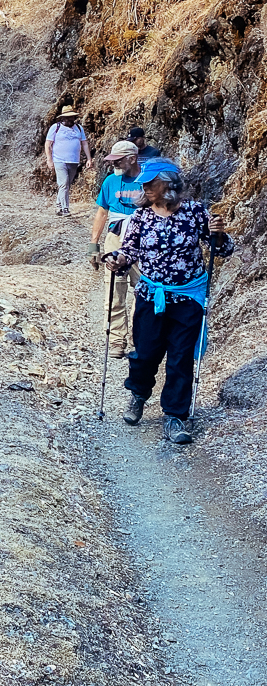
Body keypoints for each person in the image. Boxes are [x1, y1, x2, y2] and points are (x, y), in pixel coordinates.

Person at [103, 159, 234, 444]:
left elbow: (222, 250)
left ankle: (175, 416)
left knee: (180, 357)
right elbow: (130, 251)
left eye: (151, 182)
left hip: (188, 297)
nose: (145, 187)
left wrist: (219, 234)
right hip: (151, 297)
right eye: (144, 183)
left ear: (169, 182)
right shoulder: (140, 217)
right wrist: (118, 261)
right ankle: (138, 394)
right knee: (145, 353)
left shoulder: (196, 212)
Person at [89, 140, 145, 358]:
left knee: (143, 292)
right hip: (115, 238)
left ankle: (140, 339)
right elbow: (102, 212)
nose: (115, 164)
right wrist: (93, 245)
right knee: (114, 290)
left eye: (119, 160)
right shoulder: (111, 181)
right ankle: (116, 341)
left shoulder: (148, 181)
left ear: (132, 158)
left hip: (142, 242)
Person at [44, 105, 91, 216]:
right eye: (68, 117)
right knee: (64, 183)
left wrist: (89, 158)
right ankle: (65, 209)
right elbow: (48, 144)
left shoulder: (79, 128)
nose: (71, 120)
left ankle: (59, 205)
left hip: (74, 161)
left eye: (72, 117)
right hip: (59, 160)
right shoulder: (56, 127)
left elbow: (84, 143)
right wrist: (49, 159)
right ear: (63, 118)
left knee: (66, 184)